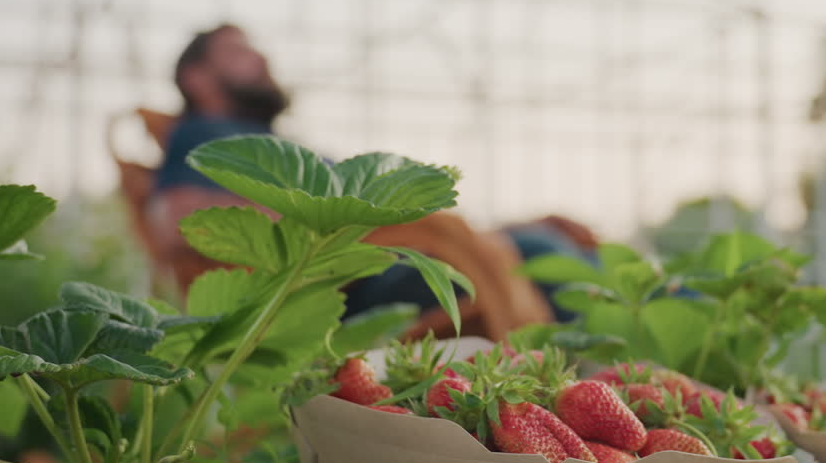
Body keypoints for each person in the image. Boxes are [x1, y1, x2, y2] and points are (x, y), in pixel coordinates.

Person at [148, 23, 595, 321]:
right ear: (197, 78)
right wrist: (326, 221)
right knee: (536, 254)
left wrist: (494, 230)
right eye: (238, 51)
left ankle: (643, 354)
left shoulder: (277, 145)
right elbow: (171, 219)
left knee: (552, 240)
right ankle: (632, 372)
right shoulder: (201, 133)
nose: (261, 58)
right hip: (350, 288)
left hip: (398, 254)